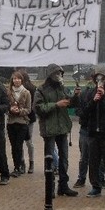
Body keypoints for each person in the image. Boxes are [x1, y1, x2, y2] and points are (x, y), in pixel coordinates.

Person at [34, 64, 81, 197]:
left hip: (62, 128)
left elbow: (71, 103)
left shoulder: (63, 88)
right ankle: (50, 188)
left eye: (60, 74)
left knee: (64, 158)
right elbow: (37, 108)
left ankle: (63, 186)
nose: (59, 76)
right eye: (56, 74)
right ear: (50, 75)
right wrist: (56, 105)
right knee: (49, 160)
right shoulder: (41, 90)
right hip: (49, 128)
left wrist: (76, 97)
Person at [80, 65, 105, 198]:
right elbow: (84, 112)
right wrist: (94, 100)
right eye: (98, 78)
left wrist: (103, 98)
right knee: (94, 161)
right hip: (93, 133)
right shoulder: (90, 93)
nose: (100, 81)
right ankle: (95, 186)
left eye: (102, 78)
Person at [6, 71, 32, 177]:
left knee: (18, 145)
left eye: (18, 79)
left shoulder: (26, 92)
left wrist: (20, 111)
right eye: (14, 79)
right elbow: (5, 106)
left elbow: (29, 109)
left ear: (22, 80)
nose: (16, 80)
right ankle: (16, 166)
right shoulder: (8, 92)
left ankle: (20, 166)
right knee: (13, 146)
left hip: (22, 122)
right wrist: (10, 109)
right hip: (11, 122)